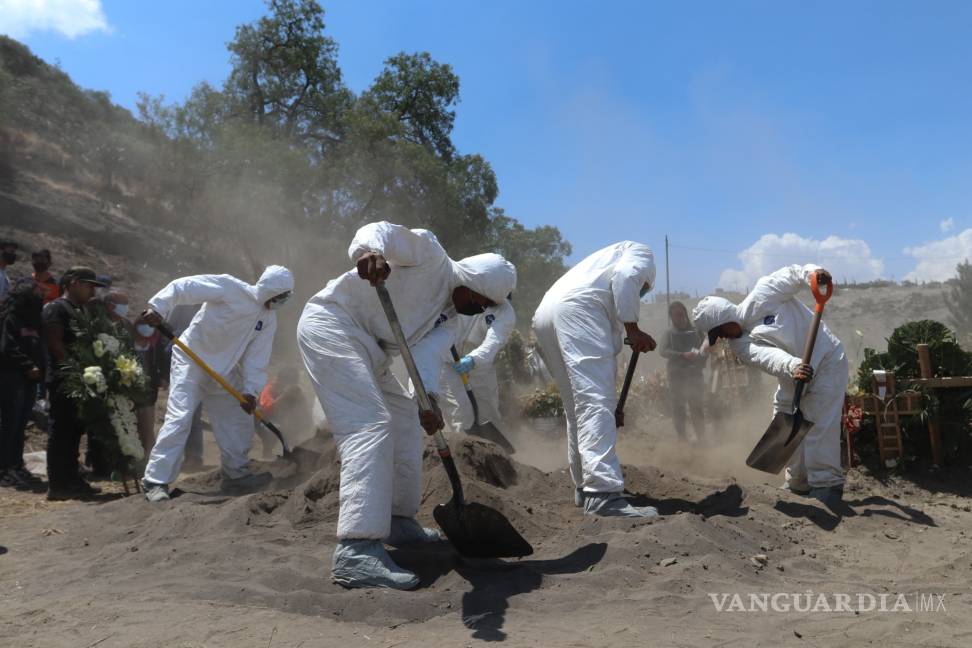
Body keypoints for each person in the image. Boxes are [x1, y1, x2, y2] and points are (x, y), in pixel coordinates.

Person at [297, 221, 517, 590]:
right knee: (370, 425)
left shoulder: (451, 321)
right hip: (332, 325)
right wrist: (370, 251)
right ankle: (356, 549)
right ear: (472, 283)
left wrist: (428, 399)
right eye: (481, 300)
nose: (480, 308)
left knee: (404, 420)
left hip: (371, 350)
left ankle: (397, 520)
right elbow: (380, 230)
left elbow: (425, 357)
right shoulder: (430, 254)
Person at [692, 264, 848, 505]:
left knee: (819, 422)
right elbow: (765, 357)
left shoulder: (762, 295)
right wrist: (793, 366)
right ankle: (797, 482)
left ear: (723, 317)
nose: (721, 337)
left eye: (719, 331)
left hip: (827, 360)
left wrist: (813, 273)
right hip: (795, 373)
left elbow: (791, 274)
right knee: (784, 416)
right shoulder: (739, 345)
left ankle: (827, 484)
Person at [139, 266, 294, 502]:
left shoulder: (268, 319)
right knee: (180, 417)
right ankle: (155, 480)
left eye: (286, 297)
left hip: (224, 370)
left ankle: (236, 475)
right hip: (192, 360)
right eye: (281, 296)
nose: (282, 301)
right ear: (270, 290)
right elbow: (185, 287)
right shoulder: (230, 288)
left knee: (237, 419)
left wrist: (251, 391)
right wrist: (158, 307)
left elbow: (257, 358)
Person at [532, 241, 658, 519]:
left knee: (577, 407)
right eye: (643, 290)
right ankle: (602, 495)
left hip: (546, 313)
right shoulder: (641, 253)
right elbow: (627, 276)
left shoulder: (597, 270)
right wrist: (633, 328)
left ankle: (584, 487)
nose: (640, 293)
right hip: (578, 308)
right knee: (594, 401)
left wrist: (611, 409)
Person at [42, 267, 107, 499]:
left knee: (74, 432)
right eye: (89, 286)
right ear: (74, 282)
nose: (92, 292)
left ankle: (71, 479)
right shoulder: (56, 308)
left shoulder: (79, 310)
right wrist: (77, 371)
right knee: (61, 431)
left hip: (81, 380)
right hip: (64, 380)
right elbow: (56, 345)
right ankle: (58, 485)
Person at [438, 299, 515, 439]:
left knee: (489, 411)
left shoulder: (505, 311)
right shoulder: (458, 294)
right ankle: (466, 448)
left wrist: (474, 359)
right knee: (459, 414)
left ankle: (497, 449)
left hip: (480, 364)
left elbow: (493, 341)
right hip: (447, 361)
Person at [0, 281, 45, 490]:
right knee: (10, 424)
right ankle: (4, 469)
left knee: (20, 425)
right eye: (36, 293)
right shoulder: (11, 318)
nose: (40, 296)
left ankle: (16, 465)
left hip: (30, 380)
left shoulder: (33, 320)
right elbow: (7, 347)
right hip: (11, 377)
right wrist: (27, 365)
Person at [659, 301, 706, 443]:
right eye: (675, 316)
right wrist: (682, 355)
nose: (679, 318)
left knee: (696, 407)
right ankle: (682, 439)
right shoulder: (669, 333)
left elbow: (705, 348)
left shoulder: (696, 331)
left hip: (694, 375)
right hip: (676, 376)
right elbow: (663, 351)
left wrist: (700, 358)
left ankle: (702, 439)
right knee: (679, 408)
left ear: (685, 314)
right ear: (671, 317)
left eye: (681, 314)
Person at [256, 366, 312, 459]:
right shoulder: (270, 388)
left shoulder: (296, 391)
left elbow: (305, 414)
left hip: (285, 421)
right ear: (281, 380)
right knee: (275, 429)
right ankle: (267, 452)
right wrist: (283, 396)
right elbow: (266, 409)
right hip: (266, 422)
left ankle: (291, 450)